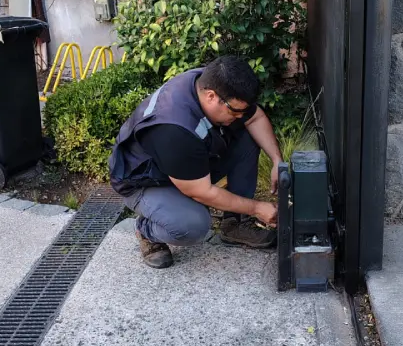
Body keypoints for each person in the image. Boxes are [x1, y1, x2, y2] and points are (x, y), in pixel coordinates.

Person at [109, 56, 282, 269]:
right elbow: (201, 191)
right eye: (235, 111)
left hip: (186, 164)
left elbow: (255, 118)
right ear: (211, 97)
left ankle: (235, 223)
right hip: (145, 181)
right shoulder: (173, 129)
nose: (239, 116)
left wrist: (277, 161)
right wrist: (256, 208)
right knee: (193, 225)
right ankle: (147, 230)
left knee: (247, 138)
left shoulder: (214, 82)